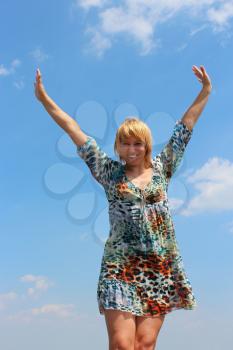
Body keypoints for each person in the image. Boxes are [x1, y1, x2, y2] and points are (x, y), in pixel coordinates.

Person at [34, 65, 212, 350]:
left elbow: (185, 128)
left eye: (137, 144)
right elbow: (73, 129)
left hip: (159, 265)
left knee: (144, 344)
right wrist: (44, 98)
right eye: (125, 143)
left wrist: (205, 91)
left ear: (146, 146)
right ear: (117, 146)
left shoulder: (162, 169)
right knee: (122, 344)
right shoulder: (108, 172)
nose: (131, 149)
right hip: (120, 268)